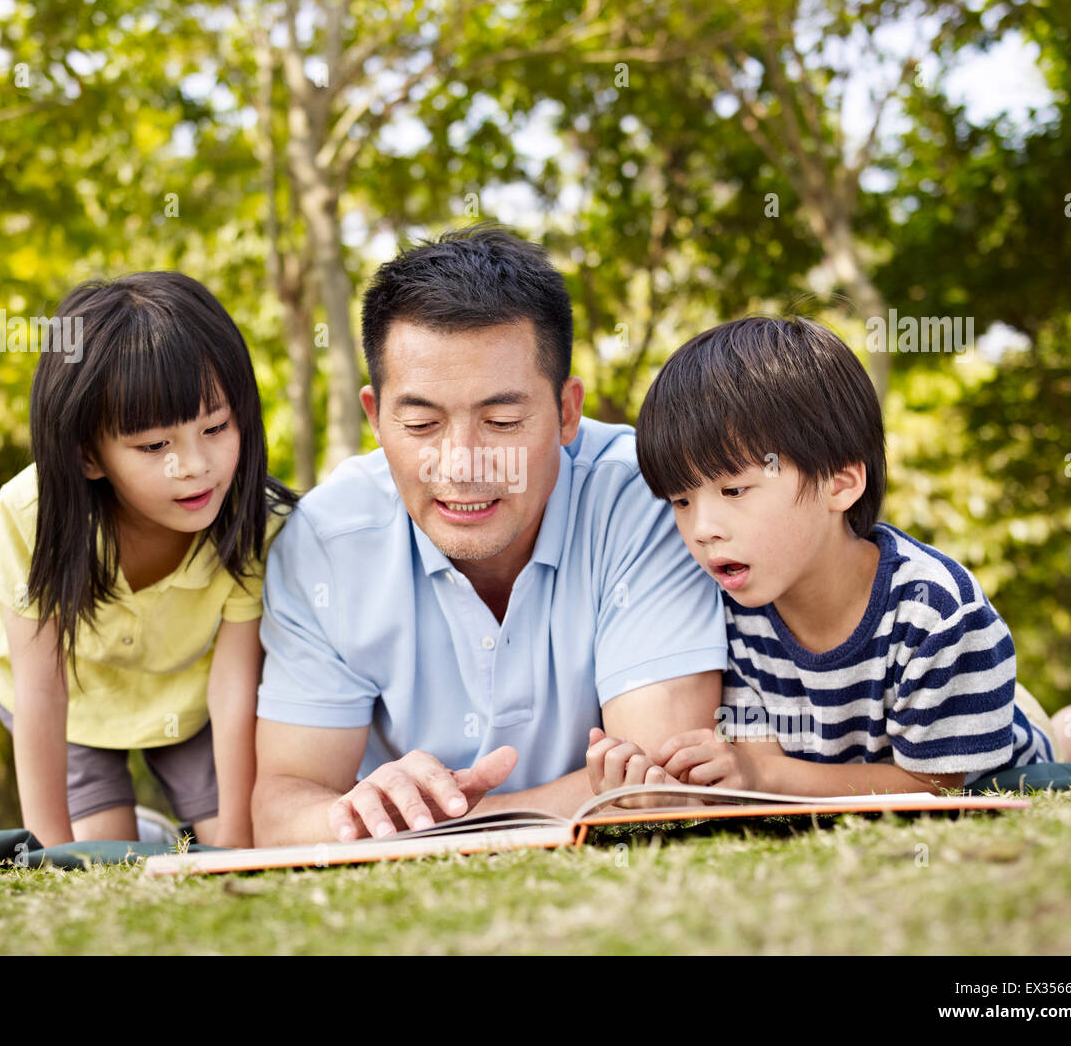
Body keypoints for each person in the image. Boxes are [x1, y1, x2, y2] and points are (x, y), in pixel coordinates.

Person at [252, 225, 727, 845]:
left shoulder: (652, 494)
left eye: (501, 421)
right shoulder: (326, 541)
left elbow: (657, 782)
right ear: (374, 417)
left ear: (567, 411)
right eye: (421, 423)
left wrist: (428, 828)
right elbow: (282, 807)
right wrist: (355, 812)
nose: (461, 465)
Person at [587, 315, 1071, 796]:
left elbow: (934, 785)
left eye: (734, 491)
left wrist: (764, 777)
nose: (702, 530)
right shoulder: (727, 610)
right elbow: (759, 760)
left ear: (840, 484)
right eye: (682, 501)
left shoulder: (934, 611)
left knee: (1066, 744)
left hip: (984, 749)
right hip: (873, 754)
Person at [0, 272, 295, 849]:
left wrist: (241, 848)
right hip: (71, 705)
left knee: (230, 834)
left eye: (216, 427)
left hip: (186, 699)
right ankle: (138, 825)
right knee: (101, 852)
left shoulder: (256, 523)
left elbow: (233, 688)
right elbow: (41, 690)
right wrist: (50, 853)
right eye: (155, 446)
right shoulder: (32, 512)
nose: (195, 465)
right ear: (88, 455)